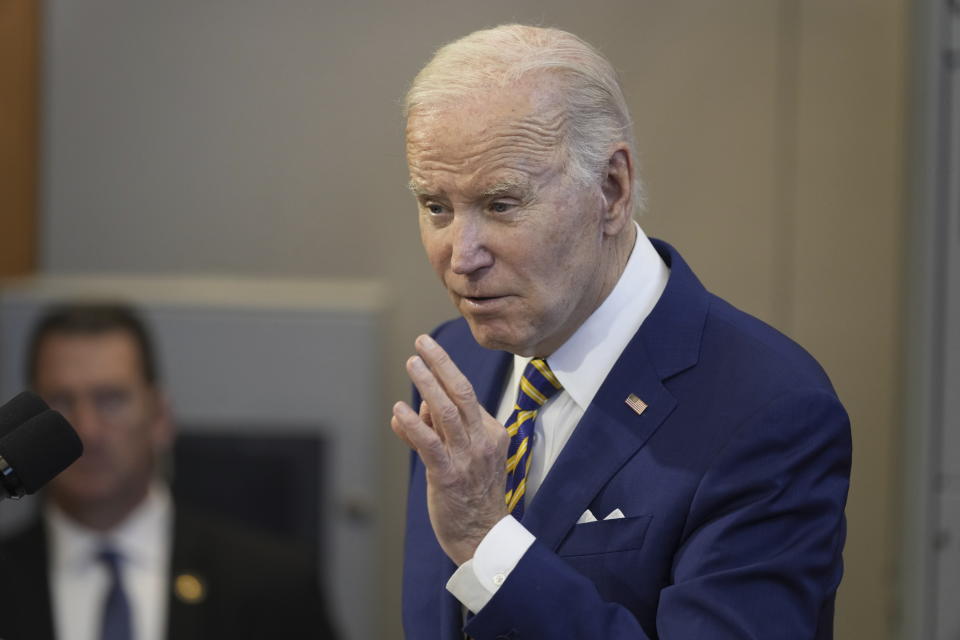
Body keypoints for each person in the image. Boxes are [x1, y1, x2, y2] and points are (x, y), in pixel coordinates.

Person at [390, 24, 851, 639]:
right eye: (436, 207)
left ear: (611, 189)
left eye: (500, 204)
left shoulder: (771, 409)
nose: (461, 254)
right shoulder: (455, 361)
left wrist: (485, 541)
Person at [0, 302, 338, 640]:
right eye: (61, 403)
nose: (87, 430)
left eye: (111, 400)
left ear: (160, 417)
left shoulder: (270, 584)